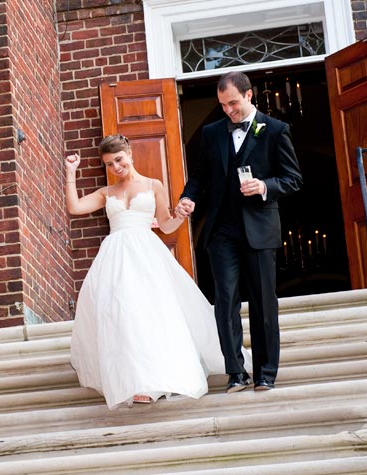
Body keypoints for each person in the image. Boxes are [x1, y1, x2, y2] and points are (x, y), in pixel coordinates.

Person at [66, 134, 240, 410]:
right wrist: (71, 172)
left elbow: (168, 226)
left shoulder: (153, 185)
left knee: (149, 312)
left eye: (119, 160)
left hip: (146, 254)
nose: (116, 167)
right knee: (123, 315)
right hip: (115, 257)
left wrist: (181, 215)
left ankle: (155, 380)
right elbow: (75, 208)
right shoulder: (106, 193)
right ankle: (135, 380)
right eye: (110, 164)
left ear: (129, 154)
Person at [176, 71, 302, 394]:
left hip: (259, 228)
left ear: (248, 95)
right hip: (221, 231)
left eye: (233, 103)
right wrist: (188, 197)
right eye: (222, 105)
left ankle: (265, 373)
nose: (228, 111)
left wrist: (264, 186)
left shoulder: (275, 130)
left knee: (263, 302)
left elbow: (293, 178)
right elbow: (200, 177)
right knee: (225, 300)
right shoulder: (212, 133)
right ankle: (235, 371)